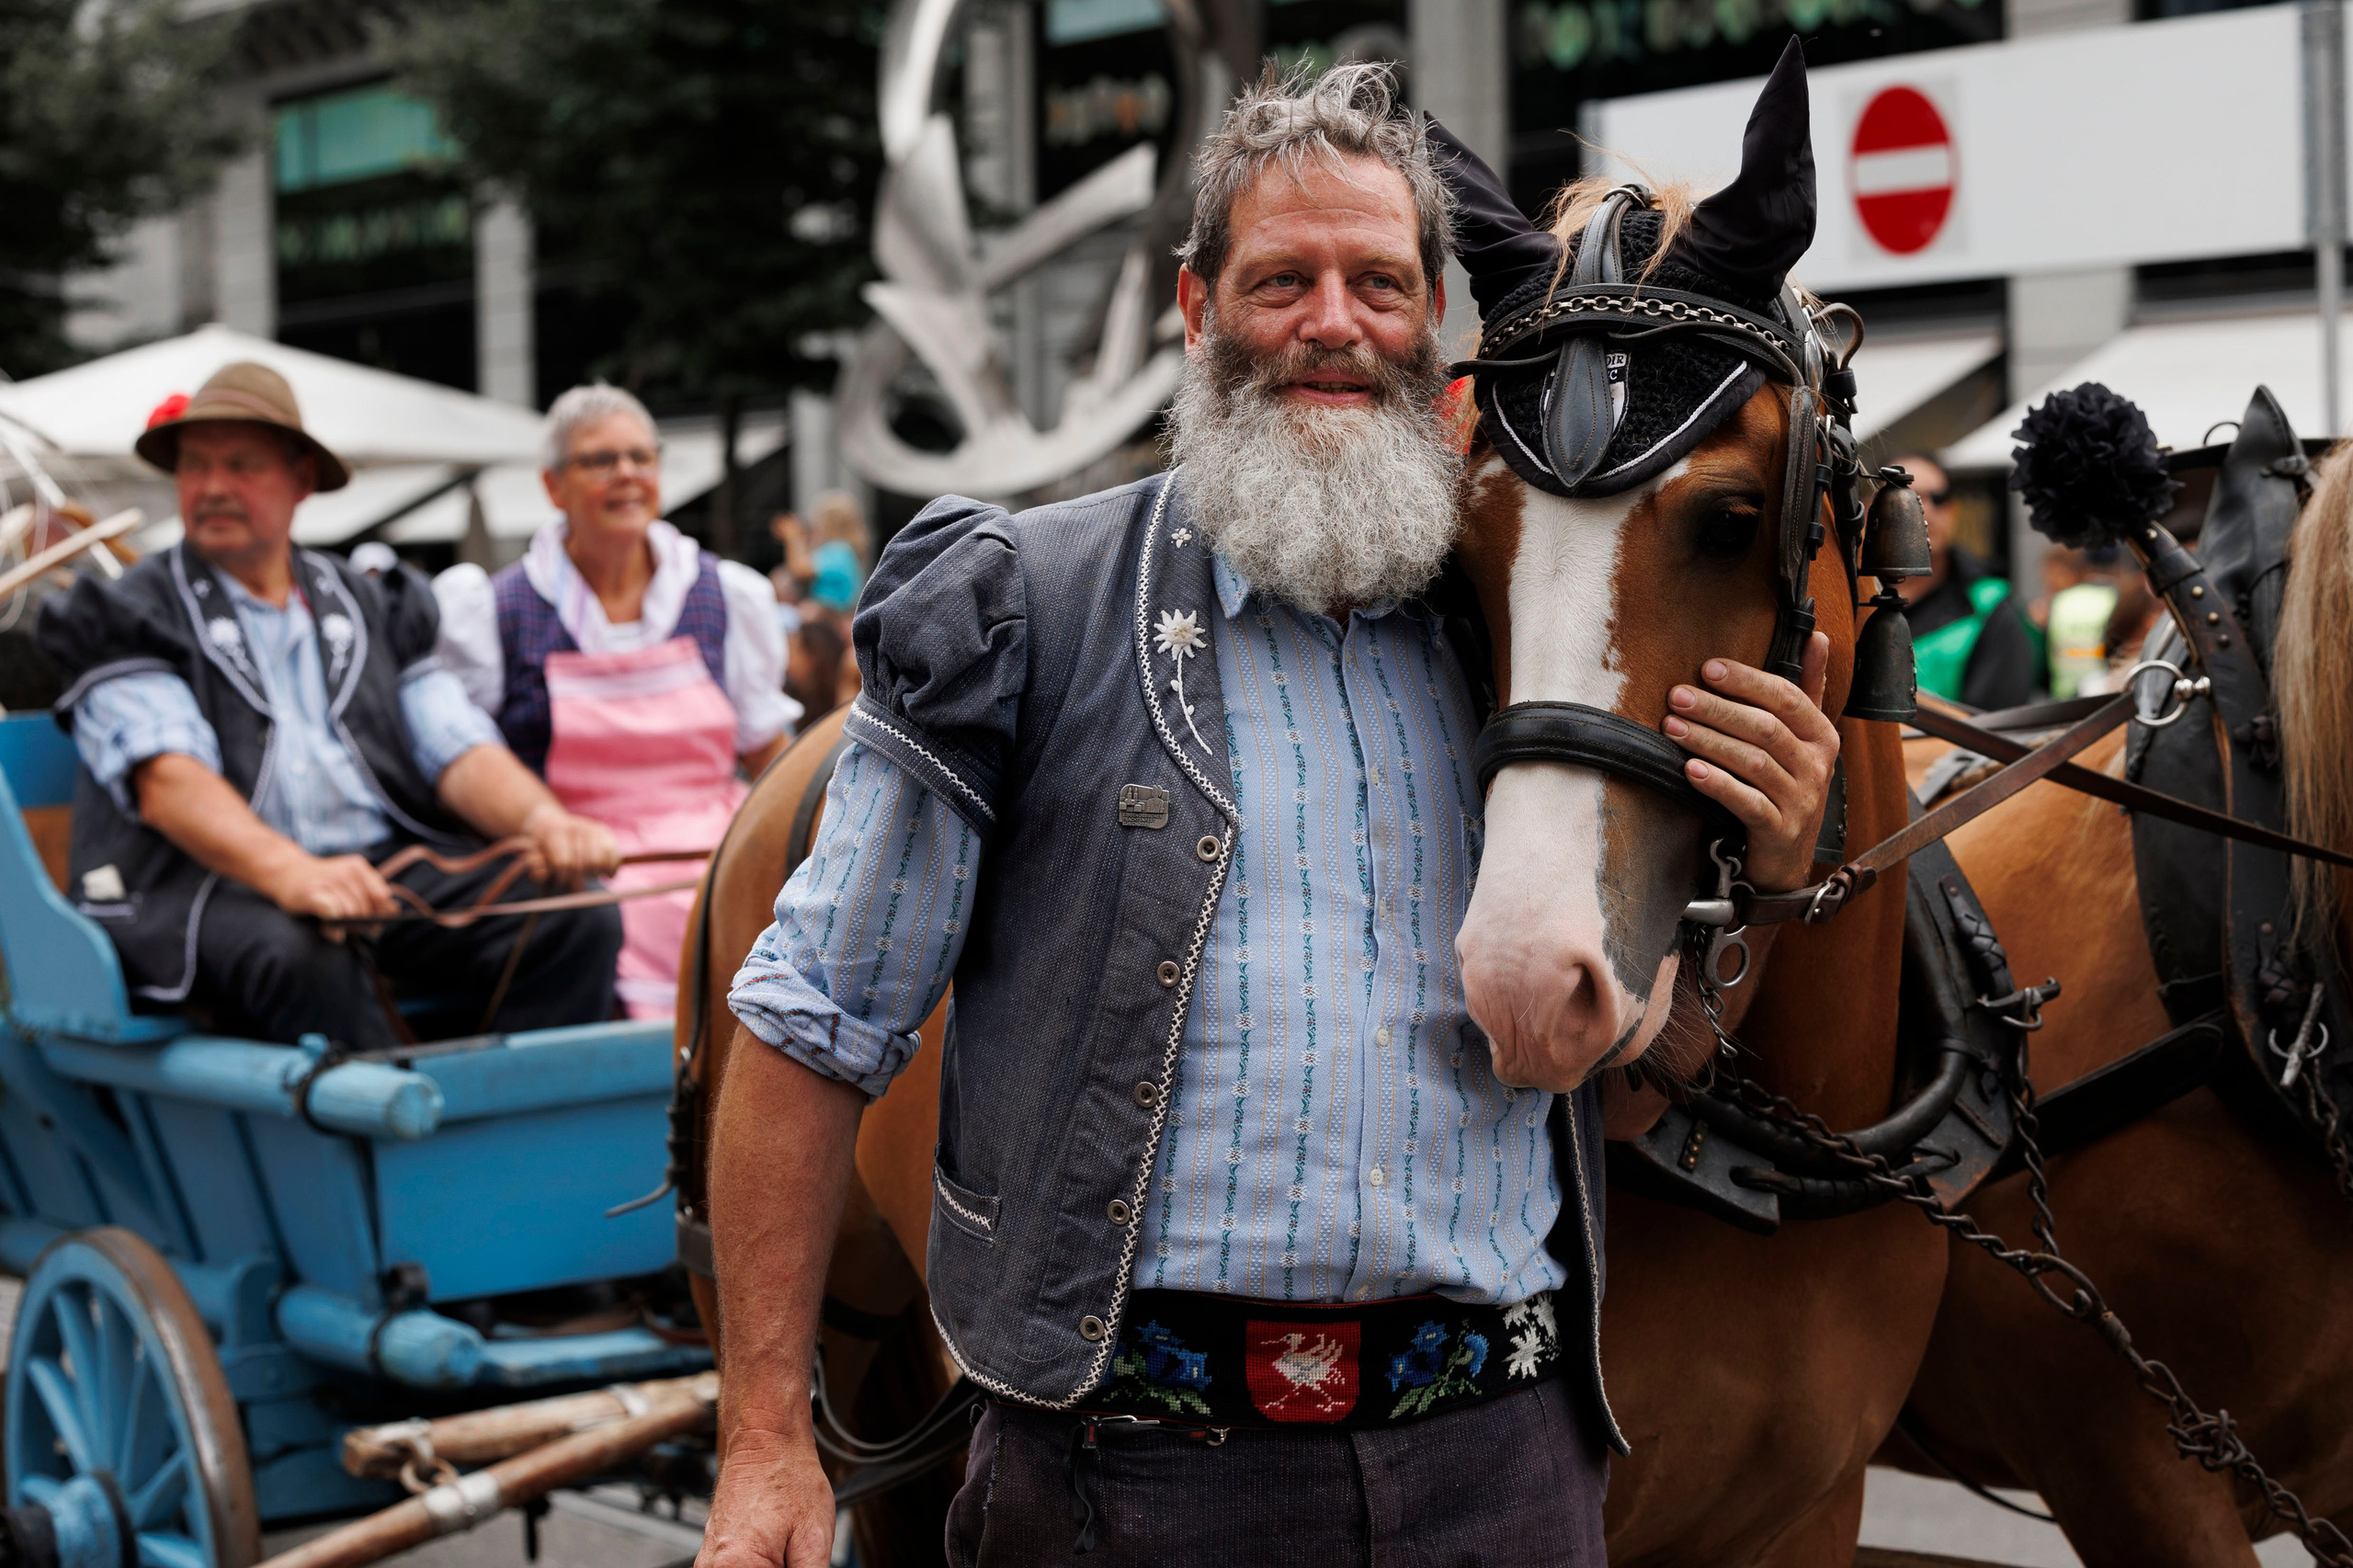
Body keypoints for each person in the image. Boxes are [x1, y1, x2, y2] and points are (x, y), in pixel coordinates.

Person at [701, 61, 1837, 1568]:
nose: (1331, 321)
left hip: (1502, 1474)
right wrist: (767, 1436)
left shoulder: (1514, 636)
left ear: (1440, 328)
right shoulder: (1020, 606)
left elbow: (1611, 1083)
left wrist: (1753, 888)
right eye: (1279, 277)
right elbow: (808, 1028)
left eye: (1379, 280)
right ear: (1195, 310)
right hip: (1132, 1485)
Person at [35, 362, 623, 1048]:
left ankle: (518, 1128)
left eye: (242, 466)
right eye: (195, 466)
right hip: (200, 889)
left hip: (375, 873)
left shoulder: (370, 599)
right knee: (301, 953)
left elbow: (454, 746)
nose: (213, 487)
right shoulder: (129, 610)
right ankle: (393, 1142)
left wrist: (543, 820)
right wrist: (293, 872)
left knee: (576, 916)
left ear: (302, 482)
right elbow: (167, 780)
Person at [432, 385, 799, 1018]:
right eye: (601, 461)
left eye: (641, 457)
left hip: (719, 858)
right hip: (576, 862)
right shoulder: (494, 609)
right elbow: (469, 761)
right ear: (553, 487)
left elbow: (768, 751)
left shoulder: (725, 594)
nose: (627, 474)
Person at [1890, 452, 2040, 709]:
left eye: (1937, 498)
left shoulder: (1990, 606)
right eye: (1904, 496)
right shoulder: (1847, 599)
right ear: (1870, 510)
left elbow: (1996, 734)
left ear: (1953, 511)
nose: (1925, 510)